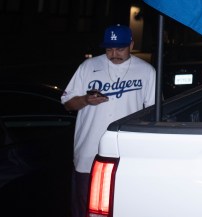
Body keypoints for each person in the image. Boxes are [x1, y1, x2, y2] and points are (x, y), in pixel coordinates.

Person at [61, 24, 156, 217]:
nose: (114, 54)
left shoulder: (146, 71)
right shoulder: (88, 67)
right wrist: (86, 100)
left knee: (123, 207)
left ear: (131, 44)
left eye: (120, 48)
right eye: (109, 49)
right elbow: (67, 104)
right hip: (88, 151)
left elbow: (154, 113)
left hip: (127, 153)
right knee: (84, 207)